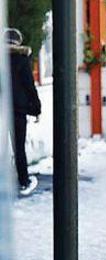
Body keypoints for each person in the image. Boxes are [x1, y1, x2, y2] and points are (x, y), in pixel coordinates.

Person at [7, 28, 40, 196]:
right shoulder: (21, 59)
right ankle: (23, 180)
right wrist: (36, 108)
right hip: (17, 110)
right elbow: (29, 86)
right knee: (19, 147)